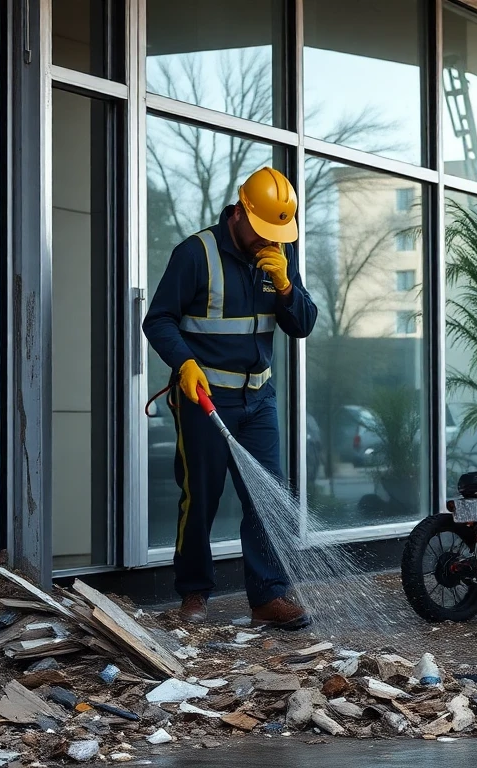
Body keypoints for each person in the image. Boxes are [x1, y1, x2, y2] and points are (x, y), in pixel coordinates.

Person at [142, 166, 318, 629]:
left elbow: (302, 324)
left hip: (258, 399)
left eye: (276, 232)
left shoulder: (281, 252)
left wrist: (285, 287)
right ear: (239, 213)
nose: (268, 240)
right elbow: (157, 320)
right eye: (261, 229)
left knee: (267, 496)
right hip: (204, 396)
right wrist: (183, 363)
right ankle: (194, 595)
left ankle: (267, 597)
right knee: (200, 496)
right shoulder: (194, 254)